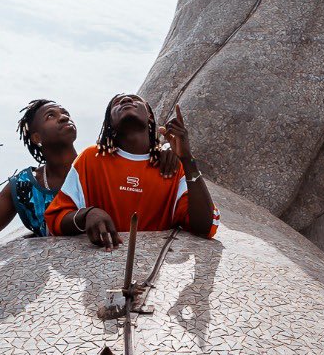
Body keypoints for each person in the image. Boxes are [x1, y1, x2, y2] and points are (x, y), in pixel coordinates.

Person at [45, 94, 218, 248]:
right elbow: (55, 219)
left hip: (152, 276)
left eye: (135, 100)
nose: (127, 100)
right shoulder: (91, 158)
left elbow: (204, 226)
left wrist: (187, 159)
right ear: (110, 122)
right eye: (117, 103)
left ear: (150, 116)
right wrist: (87, 215)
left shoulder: (171, 166)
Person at [0, 100, 77, 247]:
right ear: (37, 138)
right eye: (51, 116)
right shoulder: (24, 186)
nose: (64, 117)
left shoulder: (97, 165)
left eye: (66, 113)